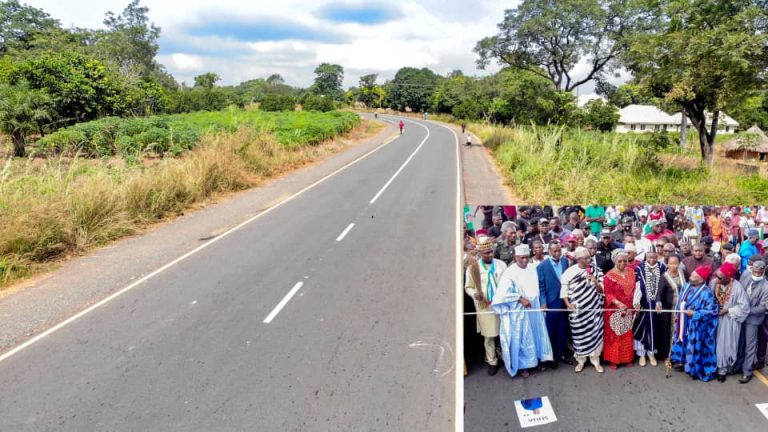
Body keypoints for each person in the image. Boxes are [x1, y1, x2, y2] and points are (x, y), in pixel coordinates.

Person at [493, 245, 553, 378]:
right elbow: (500, 295)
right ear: (515, 258)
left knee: (537, 334)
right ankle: (522, 366)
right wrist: (519, 298)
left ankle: (536, 360)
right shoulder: (509, 272)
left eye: (527, 257)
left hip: (534, 307)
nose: (525, 260)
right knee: (522, 338)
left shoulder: (532, 267)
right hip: (519, 310)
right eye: (522, 258)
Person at [465, 237, 507, 376]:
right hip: (485, 307)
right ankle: (492, 362)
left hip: (501, 305)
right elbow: (468, 287)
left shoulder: (501, 265)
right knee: (489, 336)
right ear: (480, 253)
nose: (490, 255)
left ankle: (506, 358)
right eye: (486, 253)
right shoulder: (473, 268)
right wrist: (474, 294)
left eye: (491, 252)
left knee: (504, 334)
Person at [561, 246, 605, 373]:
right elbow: (564, 291)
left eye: (589, 257)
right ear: (578, 259)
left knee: (595, 333)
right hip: (577, 311)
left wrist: (595, 282)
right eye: (586, 258)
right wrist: (568, 304)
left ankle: (596, 360)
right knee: (579, 336)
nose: (589, 259)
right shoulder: (569, 272)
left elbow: (602, 291)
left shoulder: (596, 270)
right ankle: (581, 361)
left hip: (594, 309)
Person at [671, 265, 719, 381]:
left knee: (693, 348)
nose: (691, 277)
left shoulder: (706, 293)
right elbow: (680, 302)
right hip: (683, 323)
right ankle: (682, 362)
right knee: (682, 343)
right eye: (691, 274)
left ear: (701, 279)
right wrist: (677, 315)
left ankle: (694, 370)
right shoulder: (686, 286)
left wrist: (695, 314)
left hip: (696, 326)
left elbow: (712, 311)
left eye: (694, 276)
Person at [537, 241, 573, 368]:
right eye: (554, 251)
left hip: (564, 301)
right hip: (551, 303)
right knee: (551, 330)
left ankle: (562, 353)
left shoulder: (565, 262)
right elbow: (541, 287)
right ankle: (552, 356)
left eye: (559, 250)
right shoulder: (542, 266)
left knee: (563, 328)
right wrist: (543, 303)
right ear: (549, 251)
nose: (557, 253)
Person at [714, 262, 750, 382]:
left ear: (728, 277)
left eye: (720, 277)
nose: (717, 278)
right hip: (714, 320)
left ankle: (723, 370)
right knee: (714, 344)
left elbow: (744, 307)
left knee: (725, 346)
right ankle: (713, 367)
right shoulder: (714, 283)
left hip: (730, 321)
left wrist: (728, 310)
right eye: (717, 275)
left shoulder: (737, 287)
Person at [603, 249, 637, 369]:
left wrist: (636, 303)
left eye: (625, 261)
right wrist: (618, 303)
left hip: (629, 309)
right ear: (614, 261)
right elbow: (607, 294)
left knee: (627, 334)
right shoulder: (609, 276)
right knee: (616, 335)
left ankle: (627, 358)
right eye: (620, 261)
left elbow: (636, 290)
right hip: (614, 310)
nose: (623, 263)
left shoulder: (632, 272)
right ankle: (614, 360)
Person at [737, 259, 768, 383]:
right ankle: (738, 366)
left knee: (750, 346)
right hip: (739, 316)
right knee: (739, 343)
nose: (756, 275)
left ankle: (747, 372)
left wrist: (745, 310)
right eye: (754, 272)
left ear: (763, 271)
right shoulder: (745, 275)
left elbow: (761, 308)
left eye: (759, 273)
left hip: (753, 319)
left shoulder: (766, 287)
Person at [634, 250, 666, 367]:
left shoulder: (662, 267)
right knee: (642, 327)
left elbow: (664, 285)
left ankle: (651, 353)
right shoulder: (639, 268)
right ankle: (642, 354)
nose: (652, 260)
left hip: (658, 304)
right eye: (649, 258)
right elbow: (637, 285)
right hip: (644, 303)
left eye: (654, 257)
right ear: (645, 257)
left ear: (657, 256)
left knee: (654, 328)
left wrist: (660, 301)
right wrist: (636, 302)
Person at [657, 255, 686, 366]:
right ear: (667, 264)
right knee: (669, 333)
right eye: (671, 264)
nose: (673, 266)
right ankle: (667, 356)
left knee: (681, 331)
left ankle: (679, 355)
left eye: (676, 263)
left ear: (679, 263)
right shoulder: (664, 276)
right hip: (670, 310)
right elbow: (659, 293)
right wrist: (658, 302)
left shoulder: (682, 273)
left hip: (682, 310)